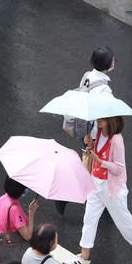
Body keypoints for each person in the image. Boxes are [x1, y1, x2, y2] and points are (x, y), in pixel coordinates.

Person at [69, 116, 132, 264]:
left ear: (111, 121)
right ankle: (84, 256)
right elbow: (96, 152)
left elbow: (119, 168)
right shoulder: (98, 133)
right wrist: (89, 145)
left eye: (101, 119)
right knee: (89, 218)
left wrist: (99, 160)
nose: (97, 120)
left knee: (123, 220)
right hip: (96, 183)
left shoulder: (116, 140)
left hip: (111, 187)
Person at [55, 46, 115, 216]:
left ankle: (103, 203)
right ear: (106, 65)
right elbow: (99, 115)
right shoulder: (104, 89)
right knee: (93, 168)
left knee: (93, 167)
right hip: (96, 135)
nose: (113, 63)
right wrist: (93, 136)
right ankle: (66, 195)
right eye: (112, 61)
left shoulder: (88, 76)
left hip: (86, 131)